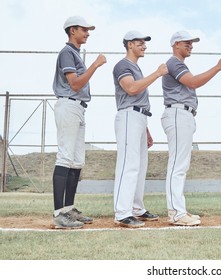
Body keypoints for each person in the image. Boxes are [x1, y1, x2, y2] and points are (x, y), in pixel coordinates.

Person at [162, 30, 221, 226]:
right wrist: (217, 67)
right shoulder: (173, 62)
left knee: (181, 165)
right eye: (186, 42)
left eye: (192, 43)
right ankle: (176, 213)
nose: (190, 45)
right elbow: (193, 82)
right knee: (177, 165)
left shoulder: (180, 64)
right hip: (177, 113)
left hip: (183, 114)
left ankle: (179, 210)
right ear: (175, 44)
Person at [51, 16, 107, 229]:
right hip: (69, 104)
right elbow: (74, 83)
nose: (87, 33)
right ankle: (58, 214)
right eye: (84, 29)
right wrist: (95, 65)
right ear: (72, 30)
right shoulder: (67, 52)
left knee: (76, 161)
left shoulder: (74, 54)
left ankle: (69, 209)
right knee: (65, 157)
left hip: (78, 108)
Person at [112, 31, 168, 228]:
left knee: (140, 166)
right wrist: (157, 73)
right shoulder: (123, 65)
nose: (144, 46)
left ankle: (136, 208)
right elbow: (131, 89)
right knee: (128, 164)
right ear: (129, 45)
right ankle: (122, 212)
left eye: (144, 43)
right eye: (140, 43)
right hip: (128, 115)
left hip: (139, 117)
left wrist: (146, 129)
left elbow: (139, 96)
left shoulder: (135, 67)